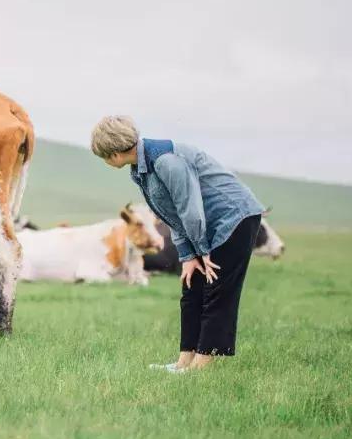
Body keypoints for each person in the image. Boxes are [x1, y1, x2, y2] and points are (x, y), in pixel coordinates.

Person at [90, 116, 265, 372]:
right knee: (191, 284)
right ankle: (184, 361)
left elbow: (190, 209)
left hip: (234, 217)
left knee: (216, 289)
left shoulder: (166, 162)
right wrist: (187, 255)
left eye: (104, 157)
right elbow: (170, 213)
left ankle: (201, 366)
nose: (105, 162)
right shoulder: (140, 169)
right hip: (204, 224)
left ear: (114, 153)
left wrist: (202, 252)